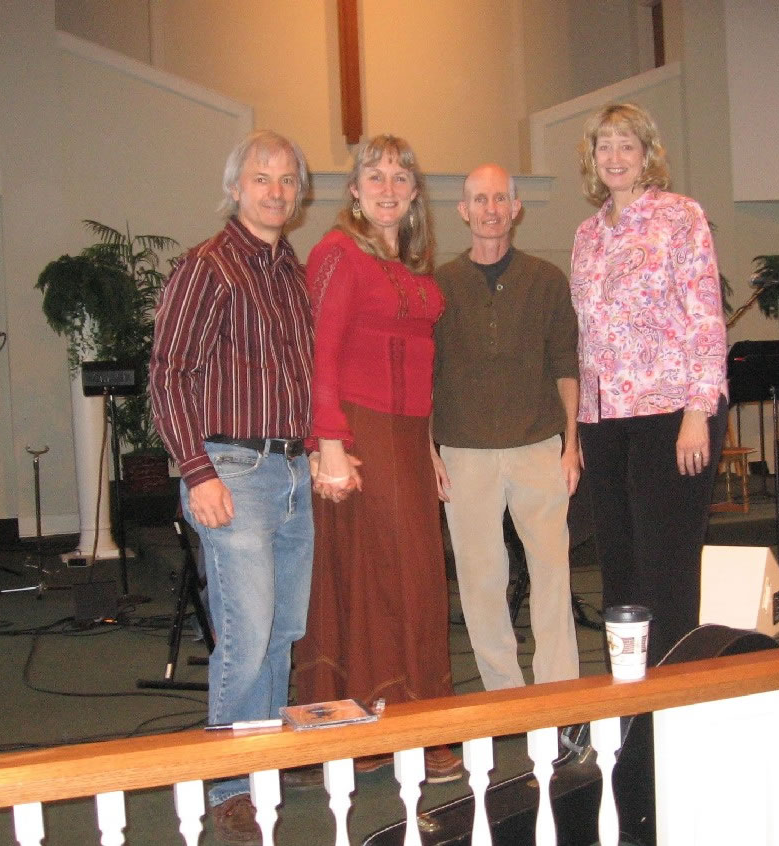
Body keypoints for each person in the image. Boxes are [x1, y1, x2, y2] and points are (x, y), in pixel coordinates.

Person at [150, 129, 314, 844]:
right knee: (245, 640)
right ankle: (229, 785)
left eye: (287, 179)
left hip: (293, 471)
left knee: (282, 633)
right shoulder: (208, 267)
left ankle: (262, 761)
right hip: (232, 473)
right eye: (261, 178)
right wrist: (197, 472)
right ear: (235, 187)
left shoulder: (291, 272)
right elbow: (168, 375)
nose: (275, 191)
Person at [293, 135, 461, 783]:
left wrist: (428, 447)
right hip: (357, 435)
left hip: (408, 440)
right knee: (378, 578)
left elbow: (422, 368)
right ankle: (376, 725)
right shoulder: (337, 252)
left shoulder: (412, 267)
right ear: (355, 190)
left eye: (400, 177)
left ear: (415, 193)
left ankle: (414, 720)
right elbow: (320, 354)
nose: (388, 188)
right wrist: (328, 445)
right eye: (375, 176)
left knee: (416, 578)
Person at [570, 102, 728, 666]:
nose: (614, 156)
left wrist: (697, 412)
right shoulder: (587, 235)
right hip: (605, 421)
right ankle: (632, 694)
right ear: (592, 157)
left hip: (672, 413)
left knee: (666, 565)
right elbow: (587, 336)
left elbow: (706, 317)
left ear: (646, 154)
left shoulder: (680, 216)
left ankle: (674, 689)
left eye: (626, 145)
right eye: (604, 145)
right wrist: (582, 426)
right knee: (620, 567)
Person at [431, 163, 581, 691]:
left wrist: (571, 444)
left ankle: (560, 693)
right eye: (479, 199)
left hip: (539, 447)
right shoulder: (439, 286)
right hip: (463, 453)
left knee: (553, 573)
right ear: (463, 210)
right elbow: (425, 376)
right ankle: (503, 695)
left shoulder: (547, 280)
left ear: (516, 208)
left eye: (500, 199)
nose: (490, 209)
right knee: (480, 583)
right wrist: (430, 452)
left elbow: (566, 366)